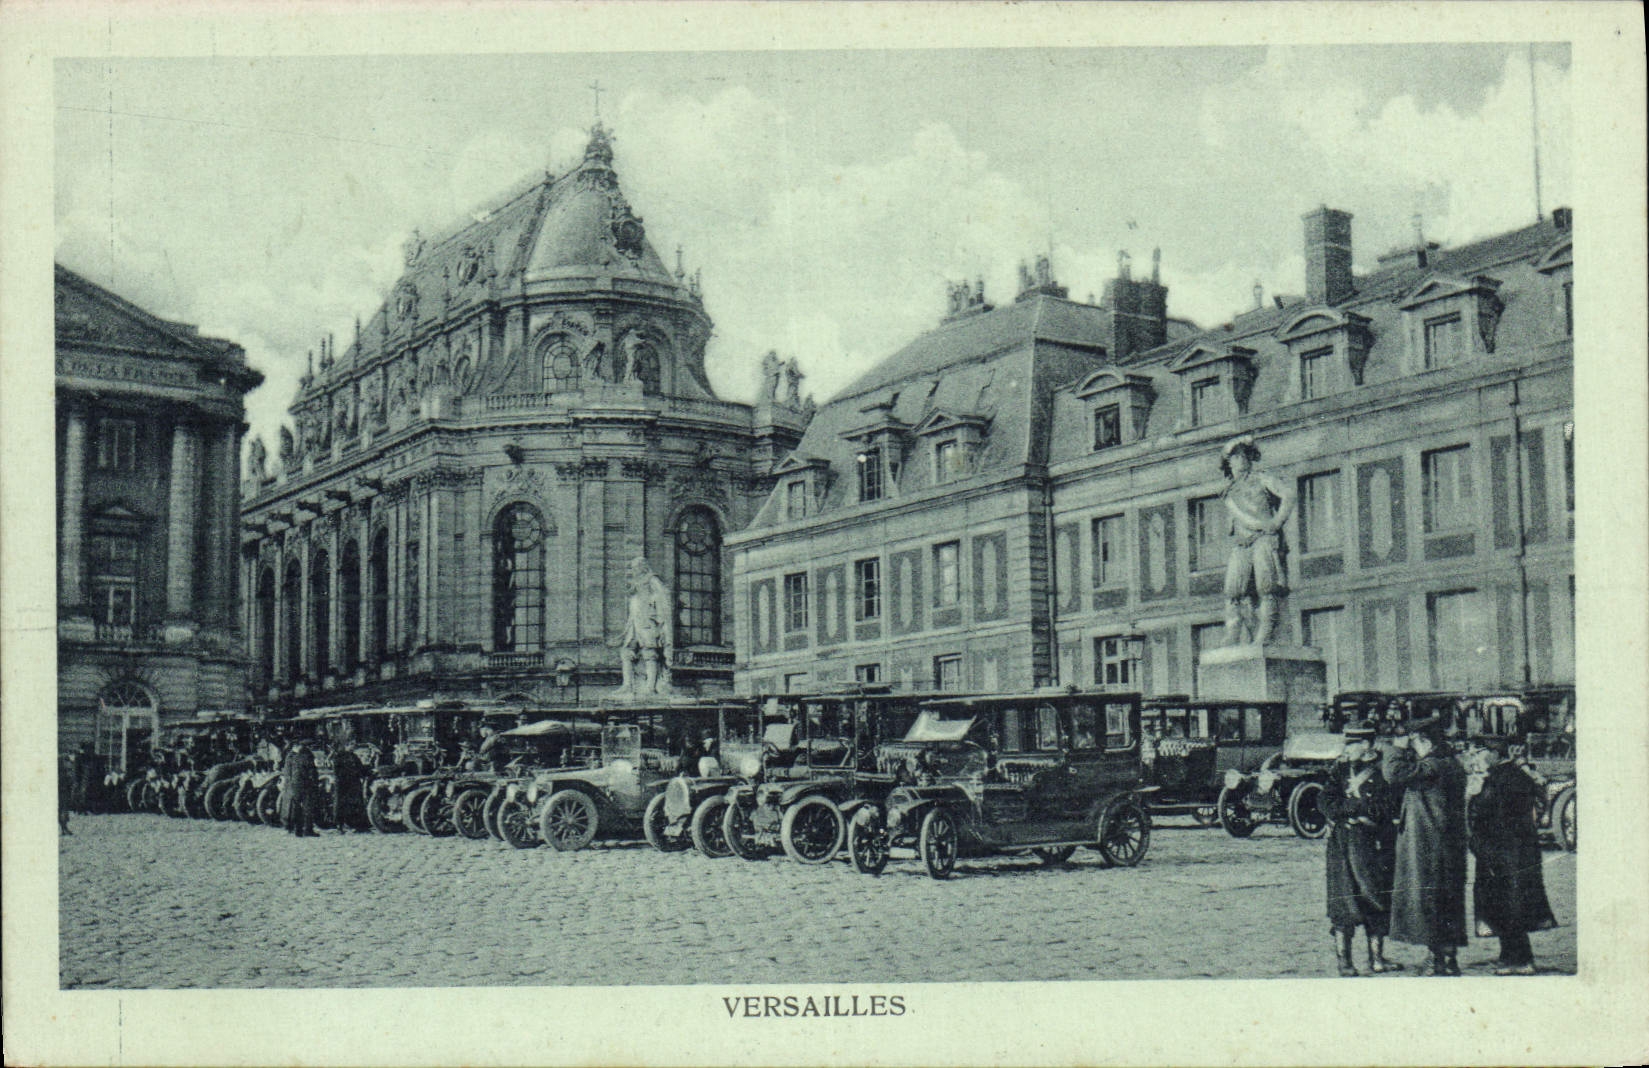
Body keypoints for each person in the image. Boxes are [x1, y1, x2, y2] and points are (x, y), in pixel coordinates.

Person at [1383, 717, 1469, 975]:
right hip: (1445, 846)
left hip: (1430, 847)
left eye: (1414, 742)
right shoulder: (1449, 764)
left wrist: (1396, 748)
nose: (1413, 748)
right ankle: (1448, 959)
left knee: (1431, 901)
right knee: (1447, 901)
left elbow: (1393, 774)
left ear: (1424, 741)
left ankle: (1437, 960)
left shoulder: (1433, 766)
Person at [1467, 740, 1558, 975]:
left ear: (1494, 753)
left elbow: (1483, 813)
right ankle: (1510, 956)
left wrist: (1472, 797)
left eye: (1479, 752)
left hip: (1503, 853)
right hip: (1512, 852)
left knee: (1508, 906)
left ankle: (1520, 960)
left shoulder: (1501, 779)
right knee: (1508, 905)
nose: (1475, 757)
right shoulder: (1512, 775)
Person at [1320, 721, 1401, 975]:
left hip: (1374, 845)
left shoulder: (1383, 771)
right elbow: (1325, 801)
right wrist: (1350, 812)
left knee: (1375, 898)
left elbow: (1390, 807)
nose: (1346, 750)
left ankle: (1377, 958)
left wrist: (1356, 811)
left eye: (1351, 745)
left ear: (1366, 745)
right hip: (1342, 845)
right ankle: (1345, 962)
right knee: (1342, 901)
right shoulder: (1339, 770)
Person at [1219, 436, 1296, 646]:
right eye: (1235, 456)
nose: (1241, 459)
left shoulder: (1262, 478)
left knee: (1266, 587)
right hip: (1242, 543)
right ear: (1228, 461)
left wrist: (1277, 522)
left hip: (1263, 537)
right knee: (1233, 590)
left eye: (1244, 455)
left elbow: (1288, 495)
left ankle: (1266, 632)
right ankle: (1233, 633)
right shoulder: (1229, 492)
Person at [617, 556, 674, 696]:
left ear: (642, 567)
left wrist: (660, 621)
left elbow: (664, 596)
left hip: (648, 622)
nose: (633, 570)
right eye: (632, 568)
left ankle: (651, 687)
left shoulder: (652, 579)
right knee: (626, 652)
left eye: (635, 567)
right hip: (635, 623)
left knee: (650, 653)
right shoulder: (636, 584)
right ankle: (627, 685)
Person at [279, 742, 320, 838]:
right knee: (307, 807)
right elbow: (311, 771)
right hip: (305, 785)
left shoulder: (290, 756)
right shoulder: (305, 756)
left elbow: (288, 772)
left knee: (296, 808)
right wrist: (314, 781)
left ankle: (298, 830)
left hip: (294, 785)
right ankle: (308, 830)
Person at [330, 743, 367, 834]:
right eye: (351, 745)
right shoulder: (339, 756)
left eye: (354, 746)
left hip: (354, 784)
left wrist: (367, 772)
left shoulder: (354, 756)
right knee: (341, 805)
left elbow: (360, 768)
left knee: (355, 804)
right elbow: (336, 771)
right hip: (343, 784)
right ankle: (340, 826)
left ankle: (356, 825)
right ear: (346, 745)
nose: (353, 747)